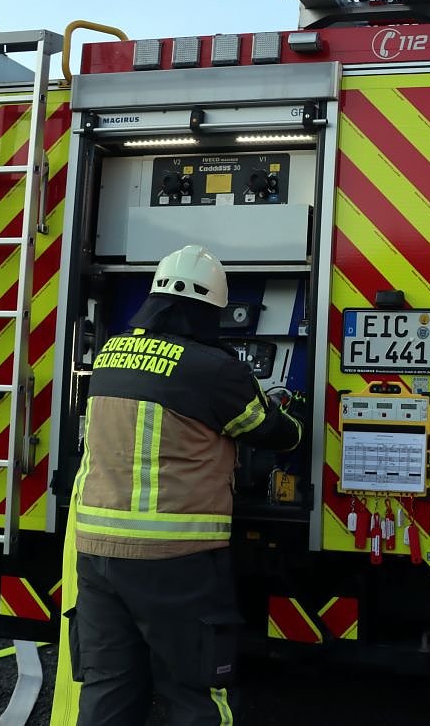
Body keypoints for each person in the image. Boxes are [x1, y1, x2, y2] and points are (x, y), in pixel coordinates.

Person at [69, 244, 304, 725]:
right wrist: (294, 413)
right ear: (210, 310)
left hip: (95, 552)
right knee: (197, 692)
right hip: (174, 559)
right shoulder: (213, 368)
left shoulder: (111, 352)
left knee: (109, 687)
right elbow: (275, 433)